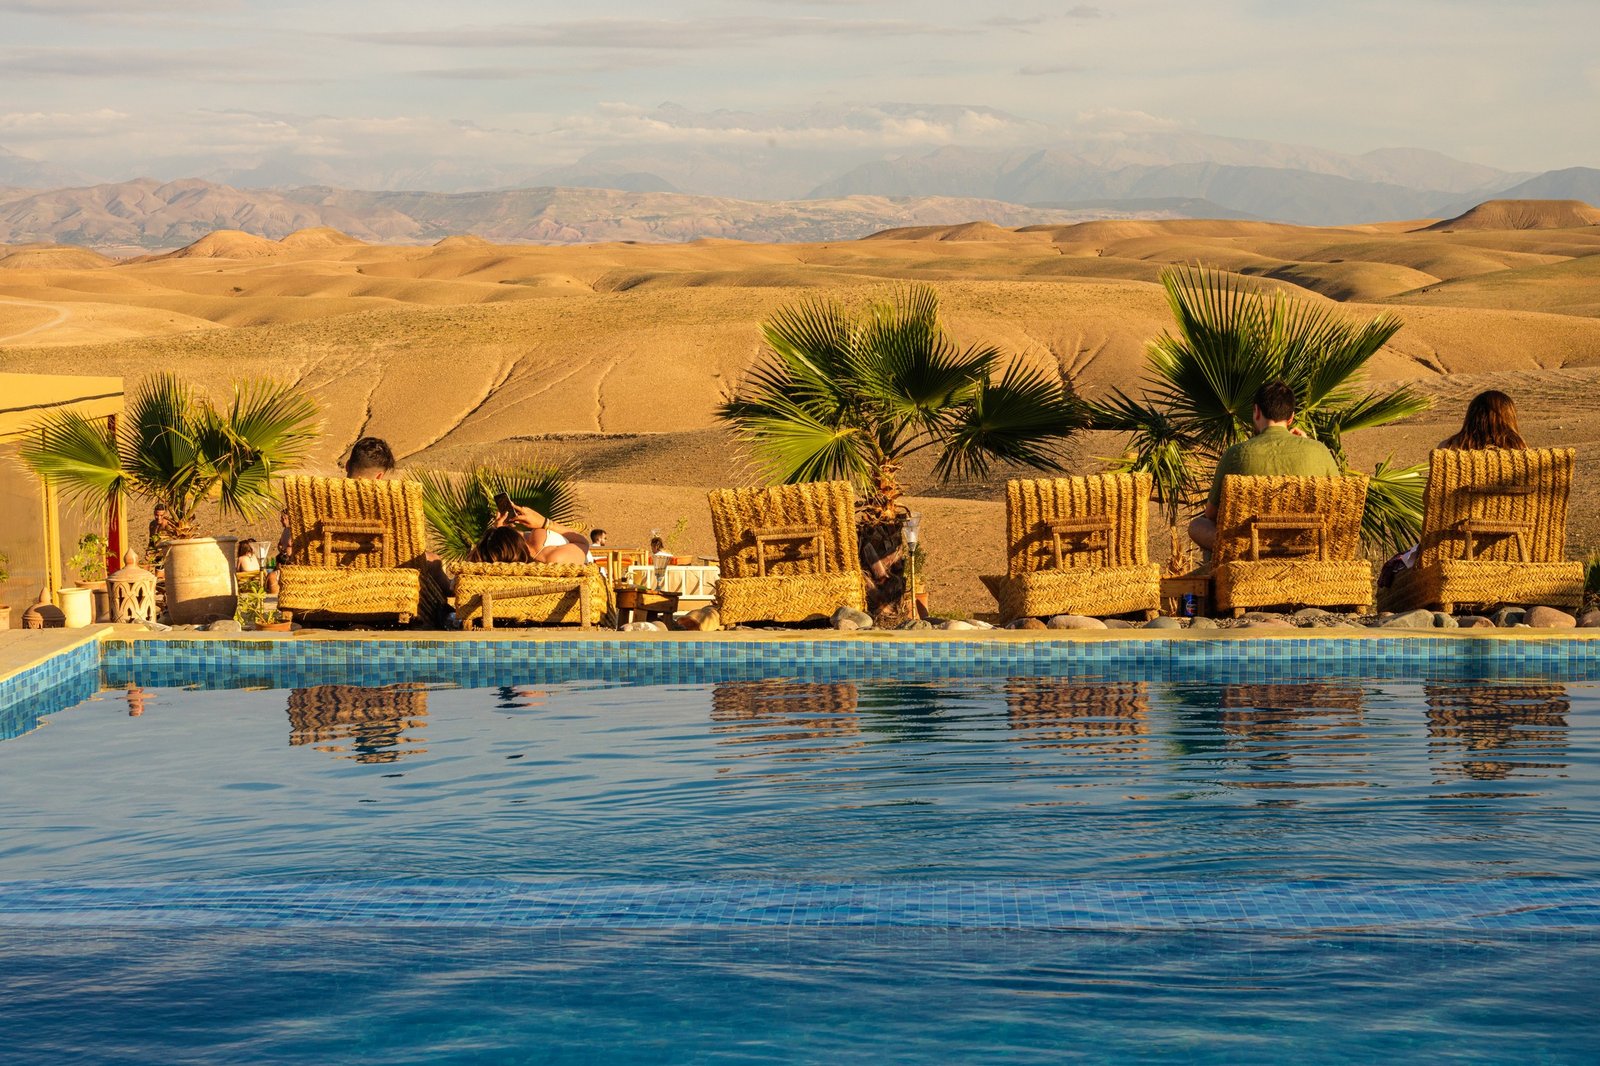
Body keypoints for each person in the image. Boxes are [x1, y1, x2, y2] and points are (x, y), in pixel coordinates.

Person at [1378, 390, 1527, 586]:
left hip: (1451, 544)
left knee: (1395, 564)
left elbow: (1430, 500)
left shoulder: (1448, 450)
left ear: (1472, 417)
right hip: (1509, 544)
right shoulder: (1522, 454)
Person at [1188, 380, 1340, 554]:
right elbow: (1338, 501)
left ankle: (1237, 555)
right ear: (1291, 417)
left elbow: (1211, 514)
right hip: (1307, 548)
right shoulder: (1320, 451)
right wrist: (1308, 445)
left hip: (1250, 550)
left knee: (1197, 525)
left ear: (1257, 411)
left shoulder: (1236, 454)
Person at [491, 502, 591, 565]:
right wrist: (544, 522)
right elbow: (583, 545)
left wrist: (500, 532)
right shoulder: (552, 559)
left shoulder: (502, 559)